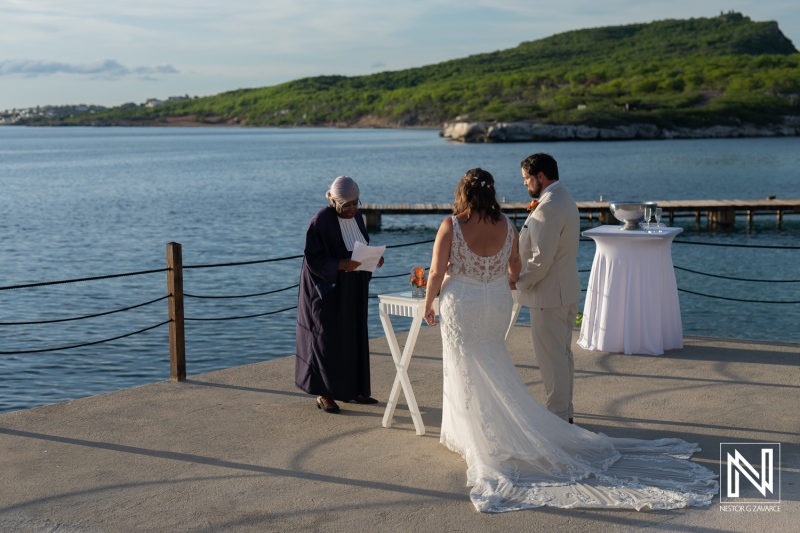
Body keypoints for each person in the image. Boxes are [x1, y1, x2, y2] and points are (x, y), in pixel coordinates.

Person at [423, 168, 717, 513]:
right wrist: (503, 279)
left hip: (463, 302)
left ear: (462, 193)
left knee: (464, 363)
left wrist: (429, 302)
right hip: (496, 302)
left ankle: (472, 434)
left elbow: (436, 272)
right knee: (492, 359)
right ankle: (486, 428)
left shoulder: (451, 225)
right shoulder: (506, 225)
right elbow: (514, 268)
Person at [295, 175, 383, 414]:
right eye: (347, 205)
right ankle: (325, 394)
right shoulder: (320, 221)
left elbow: (362, 245)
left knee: (352, 336)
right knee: (326, 341)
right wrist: (341, 265)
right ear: (333, 201)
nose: (352, 209)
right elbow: (313, 259)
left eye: (356, 203)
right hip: (326, 292)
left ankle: (353, 390)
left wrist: (374, 259)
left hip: (353, 289)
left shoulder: (358, 217)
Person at [516, 153, 581, 424]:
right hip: (566, 290)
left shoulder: (547, 208)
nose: (525, 184)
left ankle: (557, 418)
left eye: (526, 179)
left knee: (552, 360)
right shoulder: (564, 198)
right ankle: (564, 412)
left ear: (540, 176)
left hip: (549, 295)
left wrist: (517, 282)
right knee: (563, 356)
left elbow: (541, 260)